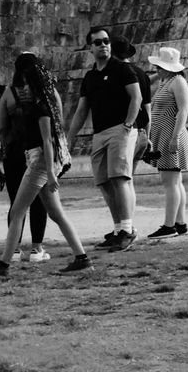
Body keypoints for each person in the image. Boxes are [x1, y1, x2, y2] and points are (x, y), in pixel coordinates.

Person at [0, 53, 90, 278]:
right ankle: (82, 257)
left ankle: (4, 264)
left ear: (33, 82)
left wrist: (49, 171)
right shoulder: (45, 101)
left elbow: (48, 141)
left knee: (18, 211)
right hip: (39, 161)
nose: (22, 89)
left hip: (39, 163)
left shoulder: (41, 106)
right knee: (56, 213)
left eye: (25, 84)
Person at [65, 24, 142, 252]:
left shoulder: (122, 69)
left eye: (106, 41)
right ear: (90, 47)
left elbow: (136, 98)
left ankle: (127, 230)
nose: (103, 45)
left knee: (120, 178)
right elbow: (81, 111)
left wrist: (128, 125)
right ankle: (118, 230)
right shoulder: (90, 77)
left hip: (121, 129)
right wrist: (69, 137)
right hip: (99, 133)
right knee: (104, 183)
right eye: (98, 42)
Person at [0, 66, 51, 262]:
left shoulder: (8, 93)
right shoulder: (47, 95)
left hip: (14, 152)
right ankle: (37, 248)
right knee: (40, 202)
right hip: (38, 153)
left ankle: (14, 250)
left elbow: (2, 126)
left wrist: (5, 147)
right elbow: (56, 127)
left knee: (16, 202)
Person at [144, 46, 188, 239]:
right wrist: (160, 74)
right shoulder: (168, 81)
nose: (157, 69)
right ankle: (179, 223)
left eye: (159, 66)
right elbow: (144, 84)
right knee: (175, 181)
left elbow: (183, 111)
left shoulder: (178, 82)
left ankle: (169, 225)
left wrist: (174, 137)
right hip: (165, 134)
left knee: (170, 181)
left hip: (171, 135)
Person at [111, 36, 152, 171]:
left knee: (118, 179)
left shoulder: (116, 74)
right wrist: (146, 136)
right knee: (128, 180)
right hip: (141, 132)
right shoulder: (142, 74)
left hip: (123, 131)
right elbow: (147, 111)